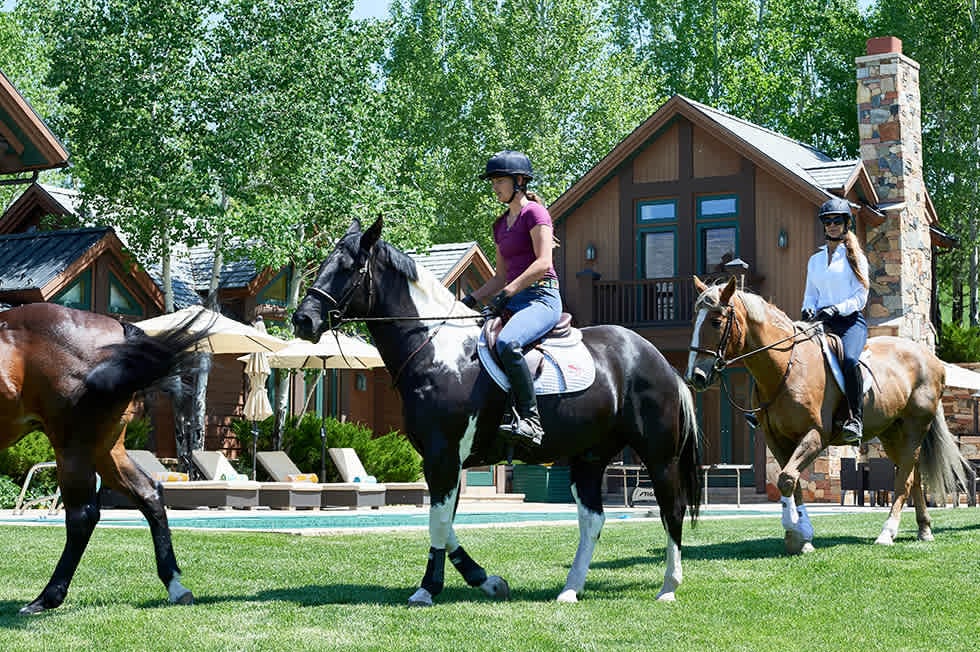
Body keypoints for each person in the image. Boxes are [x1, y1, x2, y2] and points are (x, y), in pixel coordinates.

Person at [460, 150, 561, 447]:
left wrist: (507, 294)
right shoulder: (499, 225)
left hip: (542, 298)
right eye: (493, 181)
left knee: (507, 342)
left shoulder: (536, 214)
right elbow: (498, 277)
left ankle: (531, 419)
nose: (494, 187)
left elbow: (543, 262)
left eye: (499, 180)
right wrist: (469, 301)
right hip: (513, 300)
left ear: (519, 181)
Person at [801, 197, 870, 445]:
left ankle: (856, 420)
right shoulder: (815, 260)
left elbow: (861, 296)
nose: (831, 225)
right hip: (821, 322)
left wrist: (837, 309)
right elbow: (811, 293)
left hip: (850, 322)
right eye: (828, 221)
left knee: (850, 361)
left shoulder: (856, 258)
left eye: (836, 221)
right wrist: (808, 309)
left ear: (845, 224)